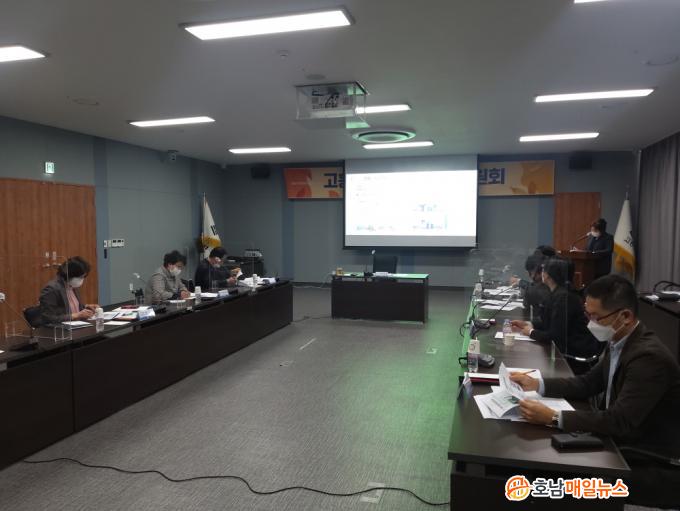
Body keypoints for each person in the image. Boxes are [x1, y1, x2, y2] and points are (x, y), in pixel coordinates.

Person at [510, 275, 680, 508]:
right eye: (587, 315)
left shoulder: (648, 358)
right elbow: (588, 383)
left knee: (551, 481)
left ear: (625, 316)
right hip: (619, 443)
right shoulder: (620, 340)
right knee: (538, 461)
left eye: (596, 317)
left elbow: (619, 421)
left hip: (648, 460)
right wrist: (537, 384)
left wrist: (553, 417)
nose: (590, 323)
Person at [511, 257, 601, 374]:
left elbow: (555, 337)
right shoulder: (556, 293)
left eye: (543, 270)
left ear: (548, 275)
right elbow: (549, 321)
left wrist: (531, 332)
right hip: (563, 349)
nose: (541, 273)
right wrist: (529, 324)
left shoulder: (564, 298)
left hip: (573, 355)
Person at [39, 256, 100, 325]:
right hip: (61, 329)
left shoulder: (72, 286)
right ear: (71, 274)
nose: (82, 280)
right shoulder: (51, 289)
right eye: (80, 277)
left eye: (83, 277)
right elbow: (48, 318)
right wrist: (75, 315)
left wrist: (87, 307)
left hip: (78, 325)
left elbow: (69, 307)